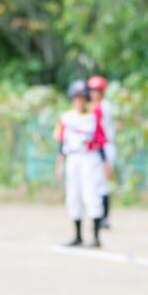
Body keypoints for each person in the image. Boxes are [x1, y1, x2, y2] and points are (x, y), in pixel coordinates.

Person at [54, 80, 109, 248]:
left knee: (91, 194)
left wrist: (105, 162)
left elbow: (100, 142)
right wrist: (59, 163)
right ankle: (77, 235)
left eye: (82, 97)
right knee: (73, 195)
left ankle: (96, 237)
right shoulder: (66, 118)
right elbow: (62, 142)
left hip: (89, 158)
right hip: (73, 158)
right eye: (76, 98)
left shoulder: (93, 118)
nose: (79, 101)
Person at [87, 75, 116, 229]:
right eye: (91, 90)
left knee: (103, 182)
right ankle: (97, 215)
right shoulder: (90, 106)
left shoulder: (104, 107)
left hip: (106, 146)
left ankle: (104, 218)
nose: (94, 93)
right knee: (94, 182)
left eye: (97, 90)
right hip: (94, 148)